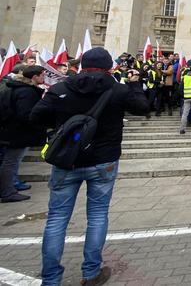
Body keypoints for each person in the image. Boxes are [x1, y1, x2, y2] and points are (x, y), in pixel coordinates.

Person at [30, 47, 148, 286]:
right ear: (109, 68)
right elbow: (143, 107)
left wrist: (62, 126)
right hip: (103, 161)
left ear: (82, 65)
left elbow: (36, 116)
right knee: (97, 216)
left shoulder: (61, 87)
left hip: (67, 160)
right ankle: (91, 273)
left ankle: (51, 279)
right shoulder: (117, 89)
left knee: (56, 219)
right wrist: (135, 83)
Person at [0, 65, 46, 203]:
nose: (44, 77)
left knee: (11, 162)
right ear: (34, 77)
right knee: (11, 162)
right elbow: (26, 114)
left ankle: (8, 189)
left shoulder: (16, 87)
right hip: (17, 133)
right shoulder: (26, 92)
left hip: (12, 132)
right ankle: (7, 191)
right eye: (42, 75)